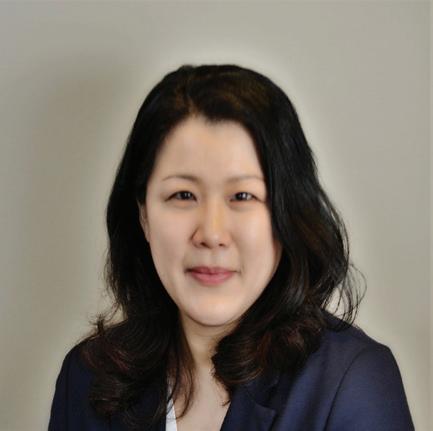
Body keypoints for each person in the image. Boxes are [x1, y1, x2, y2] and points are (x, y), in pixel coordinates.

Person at [48, 64, 414, 431]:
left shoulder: (353, 383)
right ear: (143, 214)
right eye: (183, 195)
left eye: (242, 196)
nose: (212, 233)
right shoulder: (86, 377)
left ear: (287, 214)